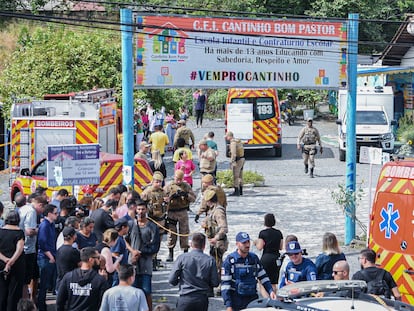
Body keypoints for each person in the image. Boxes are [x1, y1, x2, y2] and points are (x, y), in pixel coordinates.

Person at [221, 232, 276, 311]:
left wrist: (271, 291)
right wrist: (228, 305)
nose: (247, 245)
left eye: (248, 242)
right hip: (237, 301)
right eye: (244, 243)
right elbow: (225, 285)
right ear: (237, 244)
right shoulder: (230, 261)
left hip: (252, 300)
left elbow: (263, 277)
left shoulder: (254, 258)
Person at [168, 233, 219, 311]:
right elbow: (215, 283)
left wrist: (181, 280)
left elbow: (172, 280)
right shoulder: (210, 260)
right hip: (201, 299)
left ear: (191, 244)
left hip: (185, 298)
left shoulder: (182, 258)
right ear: (204, 246)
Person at [127, 200, 160, 311]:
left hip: (146, 263)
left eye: (143, 209)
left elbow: (155, 246)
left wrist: (141, 252)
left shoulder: (152, 227)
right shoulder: (131, 224)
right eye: (139, 209)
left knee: (146, 291)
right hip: (132, 262)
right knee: (132, 291)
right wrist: (132, 251)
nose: (140, 212)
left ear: (146, 210)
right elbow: (124, 240)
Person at [56, 247, 109, 311]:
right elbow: (104, 303)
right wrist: (104, 280)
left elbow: (60, 301)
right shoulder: (99, 280)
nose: (99, 260)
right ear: (91, 260)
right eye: (97, 258)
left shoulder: (69, 277)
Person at [164, 170, 196, 262]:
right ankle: (171, 252)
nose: (178, 181)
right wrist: (169, 198)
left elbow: (193, 198)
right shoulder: (169, 186)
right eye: (177, 179)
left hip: (182, 211)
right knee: (171, 233)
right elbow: (163, 197)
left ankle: (185, 251)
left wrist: (186, 195)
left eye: (180, 179)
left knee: (184, 232)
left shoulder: (186, 186)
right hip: (171, 212)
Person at [201, 190, 228, 288]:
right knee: (215, 265)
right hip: (214, 242)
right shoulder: (212, 210)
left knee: (217, 266)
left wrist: (216, 238)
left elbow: (224, 228)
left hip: (219, 243)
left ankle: (219, 287)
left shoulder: (218, 211)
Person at [0, 211, 25, 311]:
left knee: (1, 291)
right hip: (16, 265)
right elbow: (19, 249)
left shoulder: (0, 231)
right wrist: (11, 261)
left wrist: (5, 260)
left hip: (1, 263)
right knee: (13, 293)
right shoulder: (19, 233)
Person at [37, 204, 58, 311]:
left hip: (49, 255)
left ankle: (42, 305)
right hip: (45, 257)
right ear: (49, 214)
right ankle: (41, 306)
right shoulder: (45, 225)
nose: (57, 215)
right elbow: (42, 243)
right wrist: (50, 256)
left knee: (46, 283)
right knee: (43, 284)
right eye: (55, 213)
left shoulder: (51, 225)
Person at [256, 213, 283, 294]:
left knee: (262, 282)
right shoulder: (279, 233)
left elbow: (260, 247)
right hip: (276, 258)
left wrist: (255, 243)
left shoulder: (262, 233)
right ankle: (274, 299)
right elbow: (281, 247)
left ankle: (267, 300)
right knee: (274, 282)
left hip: (266, 258)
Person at [56, 227, 81, 292]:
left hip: (60, 283)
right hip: (70, 283)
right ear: (73, 236)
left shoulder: (59, 250)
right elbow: (80, 265)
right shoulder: (73, 251)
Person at [225, 131, 245, 196]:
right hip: (242, 159)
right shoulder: (238, 141)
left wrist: (231, 161)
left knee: (236, 175)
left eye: (227, 136)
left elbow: (233, 153)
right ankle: (241, 190)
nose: (226, 138)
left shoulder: (233, 143)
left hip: (237, 160)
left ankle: (236, 190)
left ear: (229, 136)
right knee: (240, 175)